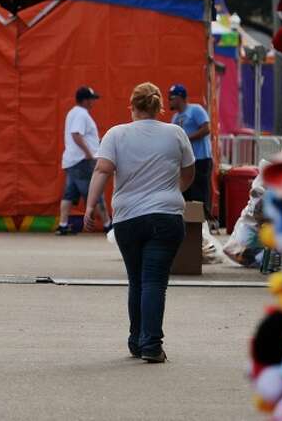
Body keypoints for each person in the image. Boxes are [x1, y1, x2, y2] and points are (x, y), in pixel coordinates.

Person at [85, 82, 195, 363]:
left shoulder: (116, 134)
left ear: (131, 107)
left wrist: (89, 207)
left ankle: (136, 340)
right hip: (166, 217)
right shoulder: (176, 133)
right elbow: (189, 172)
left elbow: (102, 170)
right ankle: (151, 344)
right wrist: (172, 191)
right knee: (154, 282)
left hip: (128, 219)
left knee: (137, 280)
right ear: (159, 107)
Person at [57, 85, 109, 235]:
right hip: (82, 161)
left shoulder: (73, 113)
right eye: (92, 99)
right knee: (96, 193)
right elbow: (76, 134)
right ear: (85, 100)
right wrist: (88, 153)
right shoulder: (82, 114)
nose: (93, 102)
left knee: (69, 194)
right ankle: (108, 226)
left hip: (72, 161)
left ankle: (62, 225)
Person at [168, 84, 212, 224]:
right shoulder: (175, 117)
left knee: (200, 191)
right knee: (186, 191)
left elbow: (206, 129)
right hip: (185, 161)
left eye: (172, 98)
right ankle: (188, 221)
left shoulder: (195, 110)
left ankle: (203, 222)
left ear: (181, 98)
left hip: (200, 158)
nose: (170, 101)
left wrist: (186, 139)